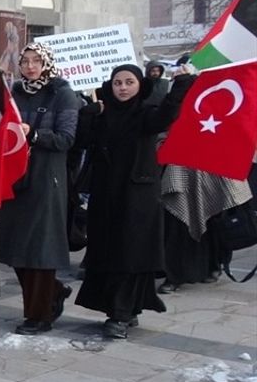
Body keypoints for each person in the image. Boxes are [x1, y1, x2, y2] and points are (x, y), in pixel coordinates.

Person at [74, 65, 193, 338]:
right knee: (107, 251)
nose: (123, 88)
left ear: (140, 85)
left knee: (132, 253)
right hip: (105, 196)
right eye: (118, 83)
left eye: (129, 82)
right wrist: (86, 115)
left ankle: (122, 313)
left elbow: (166, 116)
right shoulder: (103, 115)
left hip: (137, 196)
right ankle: (122, 309)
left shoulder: (146, 114)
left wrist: (181, 84)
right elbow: (81, 142)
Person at [0, 43, 82, 335]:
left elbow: (66, 138)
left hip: (46, 177)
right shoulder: (15, 93)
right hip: (15, 176)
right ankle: (53, 292)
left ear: (46, 63)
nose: (30, 67)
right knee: (16, 245)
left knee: (41, 248)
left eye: (36, 61)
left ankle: (39, 314)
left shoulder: (62, 93)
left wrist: (34, 134)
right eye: (26, 61)